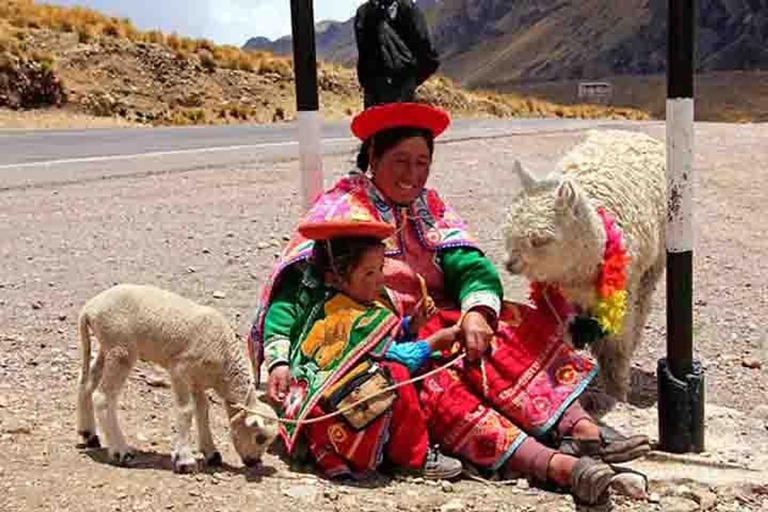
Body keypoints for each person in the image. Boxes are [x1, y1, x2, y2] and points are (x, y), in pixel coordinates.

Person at [250, 103, 650, 505]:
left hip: (435, 318)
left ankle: (578, 429)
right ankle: (554, 466)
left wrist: (477, 311)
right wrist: (280, 358)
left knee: (508, 326)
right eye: (400, 161)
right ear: (373, 156)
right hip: (372, 341)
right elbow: (293, 289)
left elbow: (469, 265)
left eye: (422, 162)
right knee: (440, 382)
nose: (412, 174)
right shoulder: (341, 210)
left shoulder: (430, 207)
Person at [268, 216, 464, 479]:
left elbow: (374, 343)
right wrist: (436, 341)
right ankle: (412, 457)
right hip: (335, 415)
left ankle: (320, 448)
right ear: (335, 278)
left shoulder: (330, 303)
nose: (381, 280)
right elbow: (400, 357)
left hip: (311, 409)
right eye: (369, 273)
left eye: (381, 268)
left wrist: (412, 324)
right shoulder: (348, 315)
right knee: (397, 376)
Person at [354, 0, 440, 108]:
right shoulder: (363, 13)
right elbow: (363, 53)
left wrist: (410, 81)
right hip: (376, 91)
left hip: (397, 90)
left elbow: (428, 55)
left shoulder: (409, 10)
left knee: (397, 123)